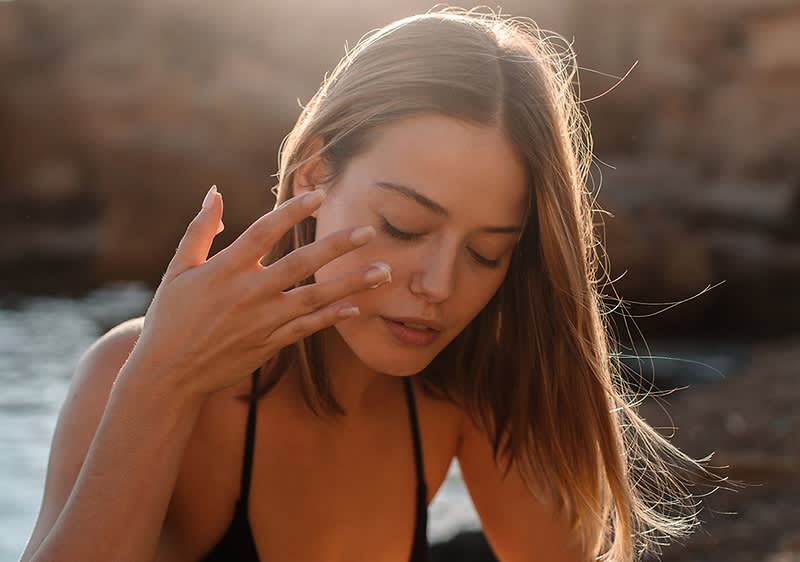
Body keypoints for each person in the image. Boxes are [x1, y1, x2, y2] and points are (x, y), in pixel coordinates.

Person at [19, 7, 713, 562]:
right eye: (404, 226)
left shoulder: (458, 397)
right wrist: (161, 382)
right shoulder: (134, 370)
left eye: (487, 253)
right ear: (313, 177)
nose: (439, 285)